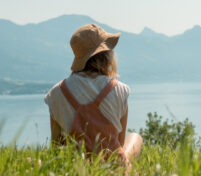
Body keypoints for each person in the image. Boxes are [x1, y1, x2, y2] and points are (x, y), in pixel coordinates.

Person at [44, 24, 142, 165]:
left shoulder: (56, 92)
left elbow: (55, 145)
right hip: (112, 165)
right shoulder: (120, 90)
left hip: (76, 167)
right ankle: (126, 170)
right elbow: (119, 145)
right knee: (135, 137)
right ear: (106, 54)